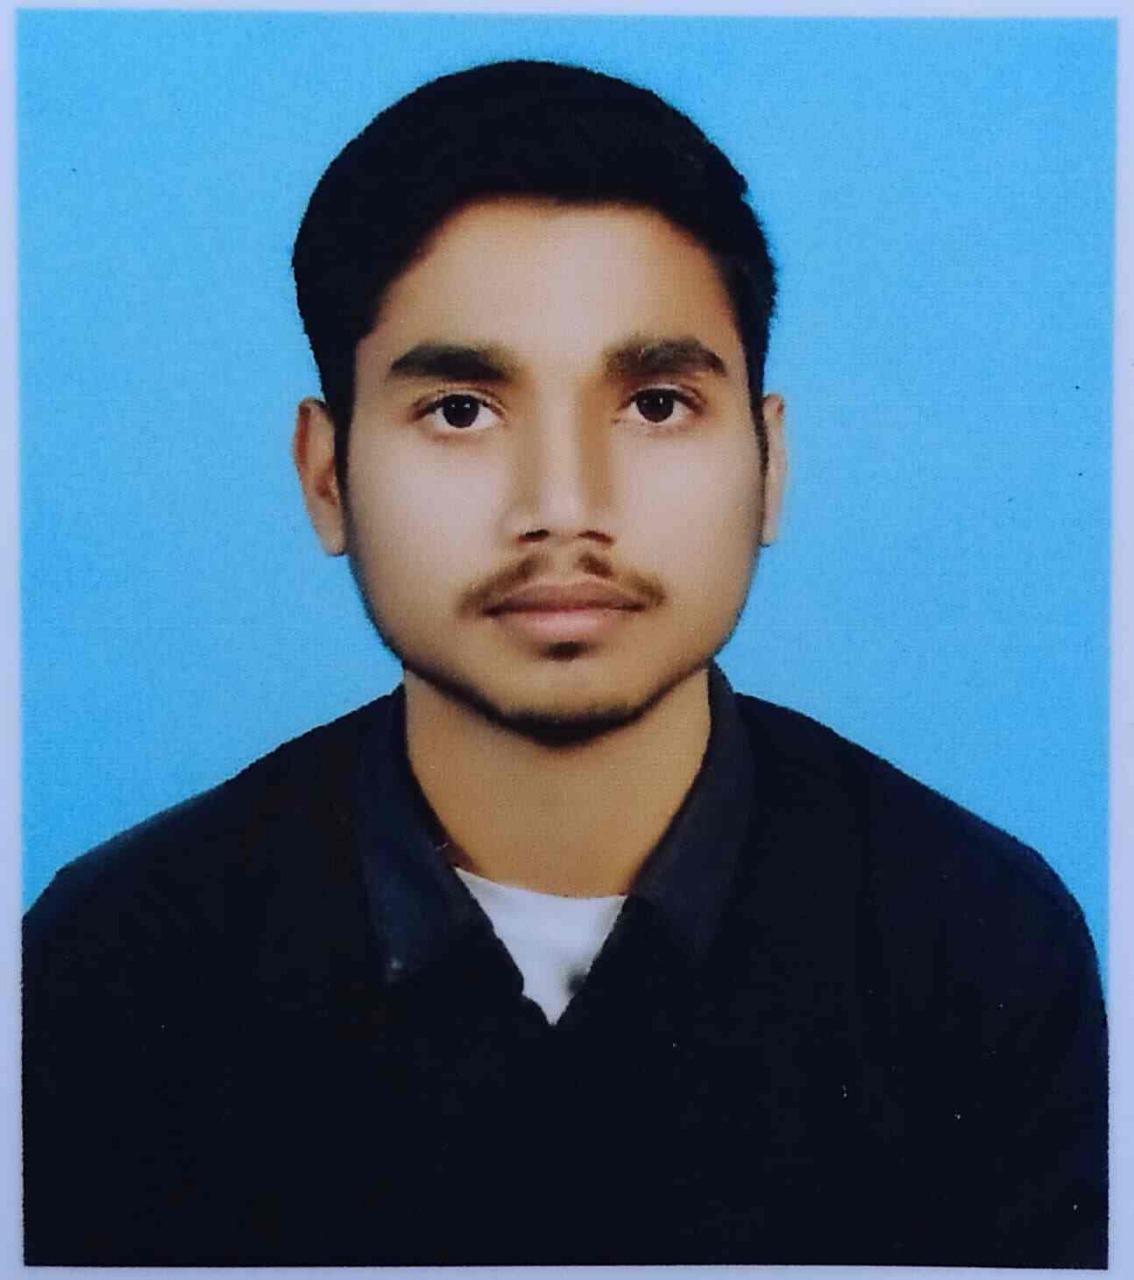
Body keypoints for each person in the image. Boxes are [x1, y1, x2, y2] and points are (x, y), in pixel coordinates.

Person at [22, 59, 1106, 1267]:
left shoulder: (978, 943)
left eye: (655, 404)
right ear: (326, 475)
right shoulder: (118, 959)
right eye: (461, 409)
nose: (564, 506)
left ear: (770, 463)